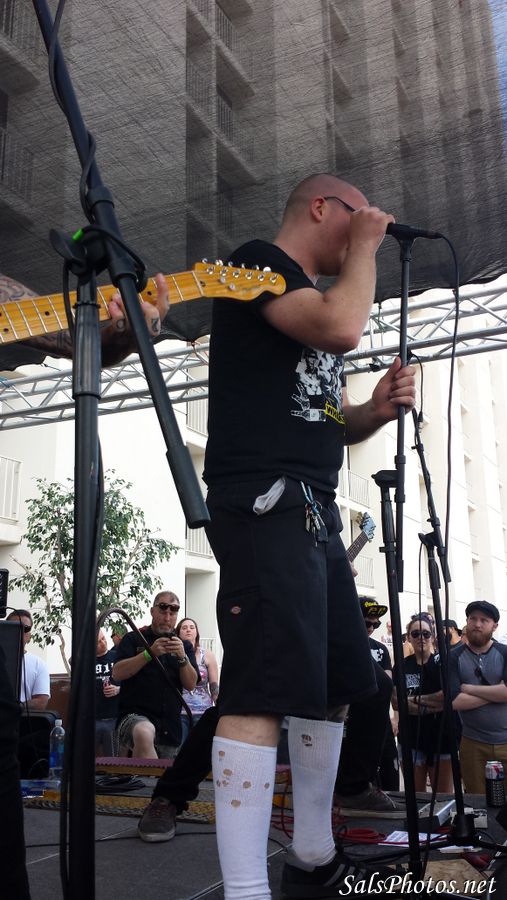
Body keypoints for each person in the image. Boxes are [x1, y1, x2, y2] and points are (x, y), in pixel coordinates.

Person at [201, 173, 416, 898]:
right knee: (260, 689)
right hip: (264, 500)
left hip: (313, 506)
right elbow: (341, 328)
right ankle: (244, 889)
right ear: (322, 208)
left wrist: (372, 411)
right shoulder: (255, 263)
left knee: (332, 684)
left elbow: (324, 415)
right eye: (357, 214)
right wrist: (368, 247)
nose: (368, 225)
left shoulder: (309, 300)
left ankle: (313, 851)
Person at [112, 591, 199, 759]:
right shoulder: (134, 639)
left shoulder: (184, 646)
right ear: (152, 611)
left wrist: (182, 657)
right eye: (162, 611)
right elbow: (117, 673)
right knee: (144, 732)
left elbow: (191, 684)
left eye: (172, 613)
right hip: (134, 718)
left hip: (170, 727)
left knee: (164, 773)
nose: (167, 618)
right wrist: (148, 654)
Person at [448, 600, 507, 793]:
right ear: (467, 622)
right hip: (473, 743)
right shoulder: (453, 657)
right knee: (477, 800)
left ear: (494, 626)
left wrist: (469, 688)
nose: (477, 624)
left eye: (484, 620)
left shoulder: (504, 653)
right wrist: (497, 692)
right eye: (473, 619)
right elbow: (454, 701)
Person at [392, 616, 453, 793]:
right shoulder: (401, 666)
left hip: (441, 738)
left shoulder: (441, 665)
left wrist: (411, 700)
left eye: (426, 634)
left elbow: (444, 699)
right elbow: (396, 703)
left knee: (443, 798)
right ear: (408, 637)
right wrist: (430, 704)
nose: (421, 638)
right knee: (416, 797)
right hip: (410, 739)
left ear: (432, 637)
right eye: (416, 633)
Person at [175, 617, 219, 744]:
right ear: (178, 633)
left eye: (192, 627)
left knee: (201, 749)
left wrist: (218, 706)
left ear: (196, 632)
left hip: (203, 711)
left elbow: (214, 685)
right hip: (180, 711)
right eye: (184, 628)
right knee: (180, 749)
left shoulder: (208, 655)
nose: (188, 630)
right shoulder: (173, 654)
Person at [6, 609, 50, 710]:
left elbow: (41, 702)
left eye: (25, 628)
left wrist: (13, 708)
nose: (19, 631)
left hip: (22, 717)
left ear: (30, 635)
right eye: (15, 627)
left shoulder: (39, 664)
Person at [95, 628, 120, 756]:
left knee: (113, 758)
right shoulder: (86, 661)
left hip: (113, 717)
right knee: (86, 759)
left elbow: (131, 683)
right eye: (98, 642)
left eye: (103, 638)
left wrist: (118, 689)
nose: (103, 643)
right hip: (92, 717)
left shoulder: (117, 657)